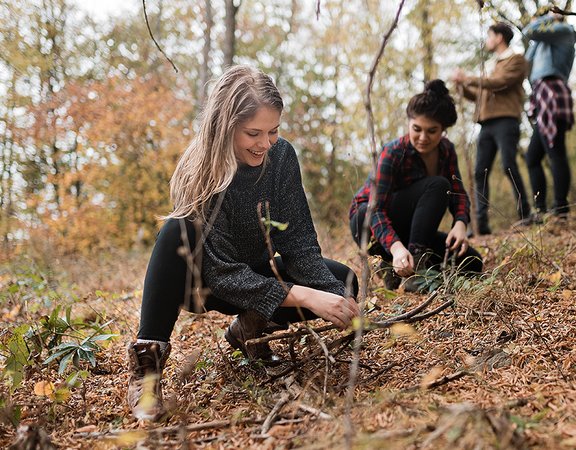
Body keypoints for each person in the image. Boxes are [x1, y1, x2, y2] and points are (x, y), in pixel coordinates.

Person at [128, 65, 359, 421]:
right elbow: (222, 273)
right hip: (203, 283)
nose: (265, 144)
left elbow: (297, 240)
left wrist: (332, 296)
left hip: (257, 273)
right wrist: (305, 295)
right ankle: (147, 372)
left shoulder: (281, 157)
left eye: (273, 131)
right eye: (254, 133)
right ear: (225, 126)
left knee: (342, 279)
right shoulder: (201, 171)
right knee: (177, 229)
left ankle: (248, 332)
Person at [350, 80, 483, 291]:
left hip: (414, 232)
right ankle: (412, 268)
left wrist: (460, 223)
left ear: (443, 131)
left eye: (432, 131)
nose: (423, 138)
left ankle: (413, 266)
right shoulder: (393, 152)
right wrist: (396, 249)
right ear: (409, 123)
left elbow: (458, 193)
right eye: (416, 129)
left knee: (472, 262)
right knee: (438, 185)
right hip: (368, 225)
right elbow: (375, 210)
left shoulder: (446, 150)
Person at [451, 22, 532, 235]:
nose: (487, 41)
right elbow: (479, 95)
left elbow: (499, 83)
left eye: (489, 36)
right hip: (486, 123)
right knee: (480, 172)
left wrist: (469, 77)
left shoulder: (516, 59)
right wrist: (461, 85)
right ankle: (481, 226)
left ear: (499, 38)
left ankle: (526, 215)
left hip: (506, 120)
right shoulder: (490, 65)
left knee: (508, 165)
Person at [522, 12, 576, 219]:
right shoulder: (544, 42)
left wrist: (547, 18)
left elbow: (530, 31)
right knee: (532, 157)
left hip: (553, 92)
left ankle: (560, 208)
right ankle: (541, 209)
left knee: (556, 152)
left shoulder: (565, 31)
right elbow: (525, 61)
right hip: (541, 95)